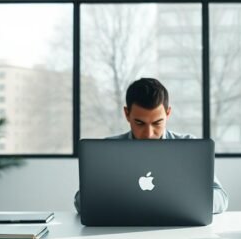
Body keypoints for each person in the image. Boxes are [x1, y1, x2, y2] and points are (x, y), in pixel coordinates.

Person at [75, 78, 229, 214]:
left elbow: (221, 198)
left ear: (168, 114)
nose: (148, 133)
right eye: (140, 123)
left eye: (157, 123)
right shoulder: (108, 150)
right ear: (127, 114)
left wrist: (188, 201)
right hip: (121, 232)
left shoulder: (191, 148)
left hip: (175, 232)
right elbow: (80, 201)